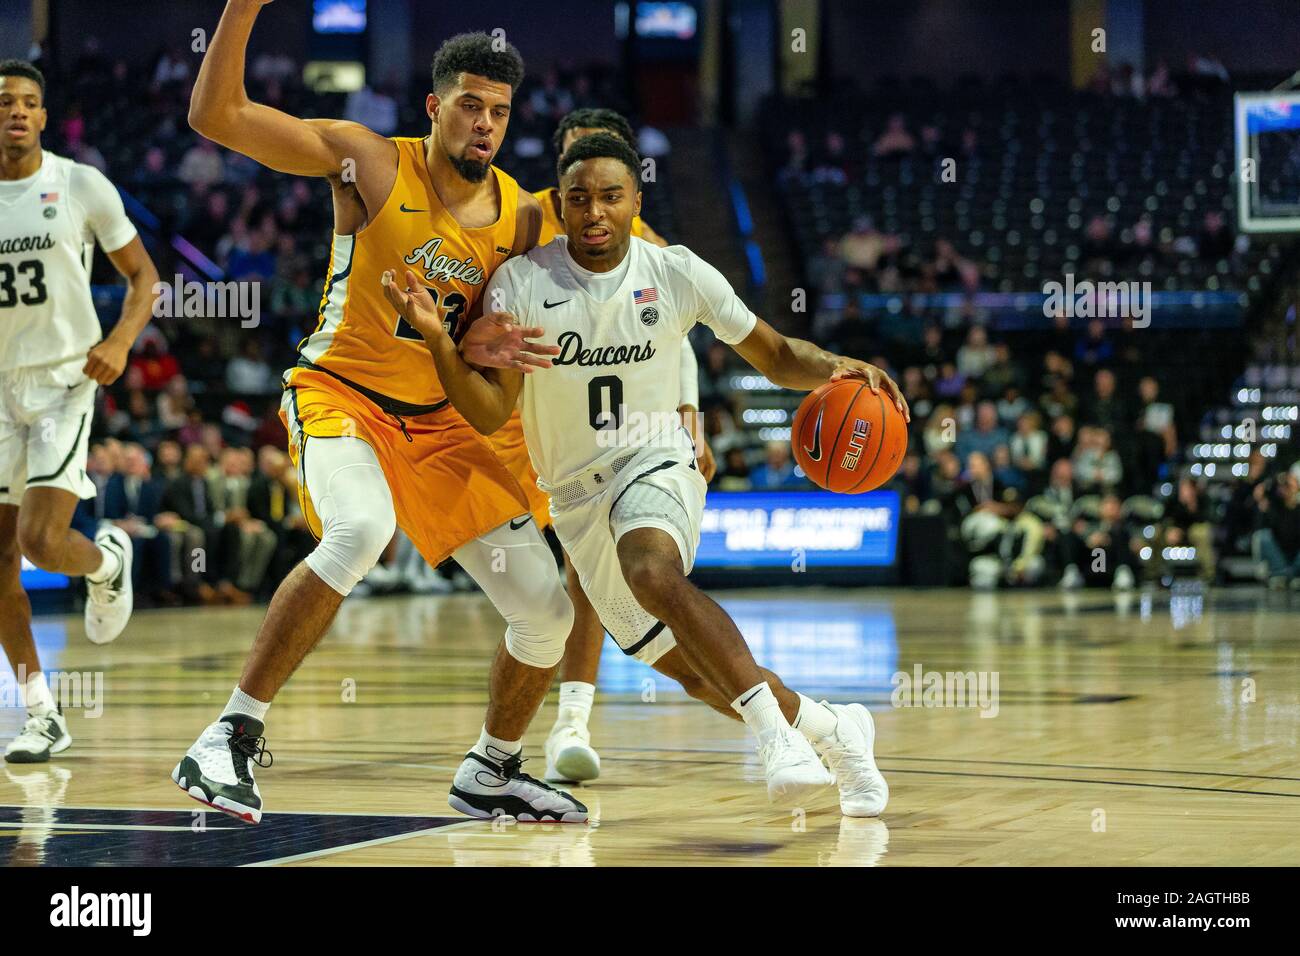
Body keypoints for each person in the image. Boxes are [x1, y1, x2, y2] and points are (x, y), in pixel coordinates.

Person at [385, 132, 910, 815]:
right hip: (575, 498)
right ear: (561, 204)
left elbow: (777, 356)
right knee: (689, 671)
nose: (594, 212)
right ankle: (836, 730)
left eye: (610, 196)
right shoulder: (521, 283)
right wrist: (437, 342)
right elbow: (489, 414)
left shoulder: (676, 272)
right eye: (578, 199)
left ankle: (775, 741)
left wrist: (841, 365)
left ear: (637, 199)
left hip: (657, 457)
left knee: (652, 570)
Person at [172, 3, 586, 825]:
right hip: (342, 393)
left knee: (547, 611)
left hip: (437, 426)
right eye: (471, 105)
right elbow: (216, 116)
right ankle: (227, 734)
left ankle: (492, 770)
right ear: (436, 108)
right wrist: (244, 8)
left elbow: (626, 257)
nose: (486, 124)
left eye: (500, 112)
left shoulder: (524, 215)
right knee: (360, 531)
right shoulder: (368, 162)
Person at [486, 106, 714, 784]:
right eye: (577, 163)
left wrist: (689, 414)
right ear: (560, 171)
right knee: (546, 592)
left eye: (606, 171)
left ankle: (569, 723)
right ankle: (521, 736)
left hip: (617, 434)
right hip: (531, 420)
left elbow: (680, 336)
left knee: (591, 575)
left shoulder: (641, 240)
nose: (593, 197)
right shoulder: (525, 225)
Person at [1, 59, 160, 762]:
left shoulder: (78, 184)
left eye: (29, 103)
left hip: (65, 380)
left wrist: (121, 342)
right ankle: (41, 713)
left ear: (43, 117)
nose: (17, 113)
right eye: (6, 102)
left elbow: (144, 277)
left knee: (39, 541)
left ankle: (105, 565)